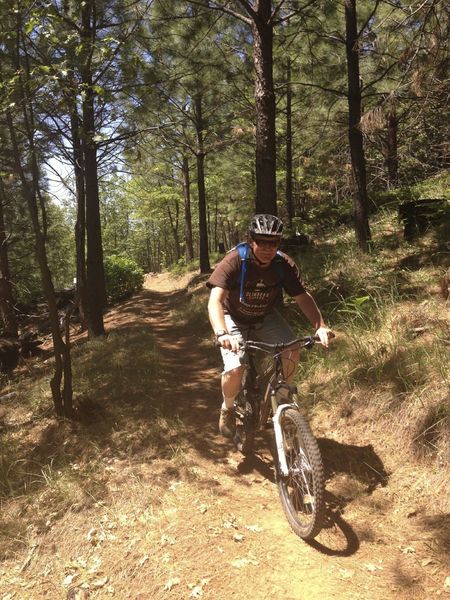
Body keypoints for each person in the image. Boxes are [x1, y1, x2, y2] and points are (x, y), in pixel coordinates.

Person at [207, 213, 333, 438]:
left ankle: (282, 398)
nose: (267, 247)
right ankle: (227, 407)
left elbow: (302, 297)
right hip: (232, 317)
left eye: (273, 242)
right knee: (235, 368)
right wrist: (222, 333)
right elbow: (215, 300)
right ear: (250, 240)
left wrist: (320, 326)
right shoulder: (234, 260)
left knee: (292, 348)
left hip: (265, 316)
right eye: (261, 242)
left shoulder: (282, 264)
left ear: (279, 243)